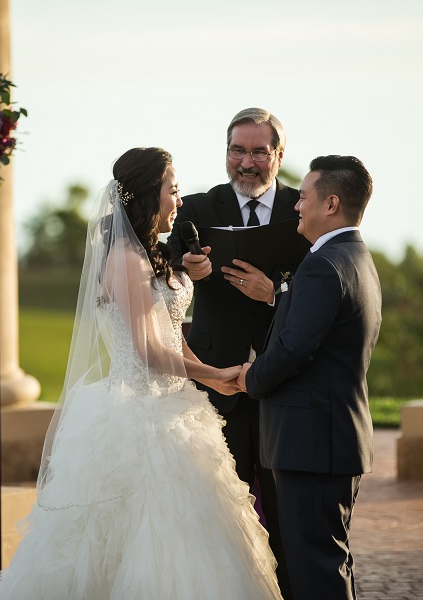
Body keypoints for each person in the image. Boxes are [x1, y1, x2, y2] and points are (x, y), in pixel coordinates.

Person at [0, 147, 282, 600]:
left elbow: (169, 335)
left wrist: (208, 376)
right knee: (136, 540)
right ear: (148, 196)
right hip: (138, 415)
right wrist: (214, 370)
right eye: (173, 191)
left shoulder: (153, 255)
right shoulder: (125, 259)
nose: (179, 202)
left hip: (174, 408)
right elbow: (146, 351)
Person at [168, 107, 307, 597]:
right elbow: (162, 257)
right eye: (237, 150)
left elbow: (320, 281)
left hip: (282, 382)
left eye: (258, 152)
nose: (246, 163)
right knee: (221, 507)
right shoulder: (200, 208)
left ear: (278, 155)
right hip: (215, 383)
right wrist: (187, 266)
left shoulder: (301, 208)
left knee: (285, 511)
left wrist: (276, 290)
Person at [238, 155, 382, 600]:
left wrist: (249, 379)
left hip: (314, 443)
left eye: (303, 197)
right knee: (327, 560)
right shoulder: (354, 256)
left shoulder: (324, 264)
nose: (296, 206)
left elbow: (294, 349)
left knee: (315, 567)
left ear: (331, 203)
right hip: (329, 439)